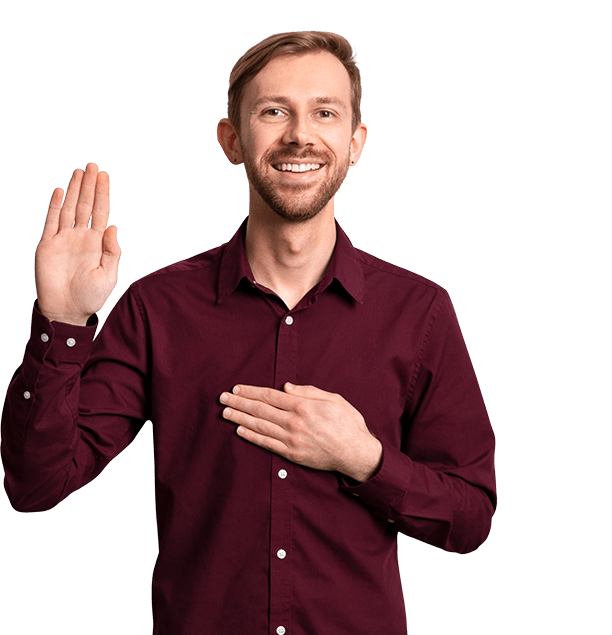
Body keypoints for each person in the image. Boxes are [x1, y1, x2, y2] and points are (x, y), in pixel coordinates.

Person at [1, 31, 496, 635]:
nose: (299, 135)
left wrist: (365, 460)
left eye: (325, 112)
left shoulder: (418, 313)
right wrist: (62, 322)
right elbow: (36, 483)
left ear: (356, 141)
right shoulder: (159, 308)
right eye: (273, 111)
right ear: (231, 140)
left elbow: (470, 519)